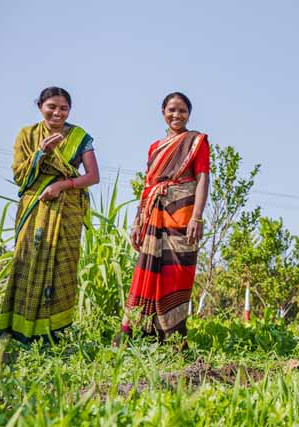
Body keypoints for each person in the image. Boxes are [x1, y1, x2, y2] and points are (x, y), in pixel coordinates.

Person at [0, 87, 100, 343]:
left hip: (67, 208)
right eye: (52, 106)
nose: (57, 112)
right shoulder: (27, 135)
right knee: (27, 261)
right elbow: (20, 175)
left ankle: (53, 333)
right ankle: (18, 331)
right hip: (35, 206)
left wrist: (61, 185)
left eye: (63, 108)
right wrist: (41, 152)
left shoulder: (79, 137)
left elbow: (92, 176)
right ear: (40, 106)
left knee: (62, 266)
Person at [115, 92, 209, 345]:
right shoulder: (155, 147)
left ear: (189, 114)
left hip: (183, 212)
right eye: (171, 110)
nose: (176, 115)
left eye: (182, 111)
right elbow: (148, 186)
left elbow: (202, 178)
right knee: (148, 268)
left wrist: (197, 217)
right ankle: (140, 331)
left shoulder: (196, 142)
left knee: (177, 270)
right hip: (153, 213)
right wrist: (138, 223)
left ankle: (172, 334)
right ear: (163, 112)